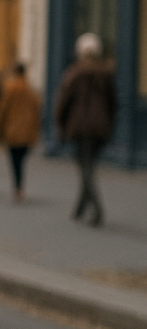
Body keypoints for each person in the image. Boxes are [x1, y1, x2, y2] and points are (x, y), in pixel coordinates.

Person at [54, 32, 116, 226]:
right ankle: (80, 208)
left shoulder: (75, 73)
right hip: (100, 126)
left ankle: (97, 209)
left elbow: (64, 101)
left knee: (85, 167)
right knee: (87, 165)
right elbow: (113, 102)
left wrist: (61, 125)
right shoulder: (106, 73)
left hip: (80, 126)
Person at [0, 61, 41, 202]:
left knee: (14, 160)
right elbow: (37, 111)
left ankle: (17, 187)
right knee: (21, 160)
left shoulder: (9, 88)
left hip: (12, 130)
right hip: (27, 131)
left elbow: (1, 110)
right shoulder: (30, 90)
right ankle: (19, 186)